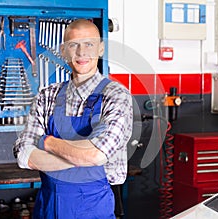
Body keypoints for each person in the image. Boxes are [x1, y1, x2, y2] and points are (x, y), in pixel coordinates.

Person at [13, 19, 133, 219]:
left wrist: (47, 142)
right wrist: (80, 155)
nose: (81, 52)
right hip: (47, 209)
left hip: (92, 210)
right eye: (73, 45)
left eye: (89, 44)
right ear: (63, 50)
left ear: (100, 49)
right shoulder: (46, 96)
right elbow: (25, 156)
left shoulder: (116, 96)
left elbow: (97, 155)